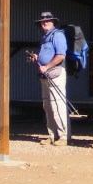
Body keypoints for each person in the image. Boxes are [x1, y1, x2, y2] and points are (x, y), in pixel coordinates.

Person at [26, 11, 69, 145]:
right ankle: (52, 135)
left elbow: (61, 56)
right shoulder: (45, 37)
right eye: (42, 21)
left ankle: (63, 137)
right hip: (45, 76)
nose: (45, 23)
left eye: (47, 20)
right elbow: (48, 54)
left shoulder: (58, 35)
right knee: (48, 106)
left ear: (53, 22)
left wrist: (47, 66)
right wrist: (37, 57)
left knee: (57, 105)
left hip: (55, 74)